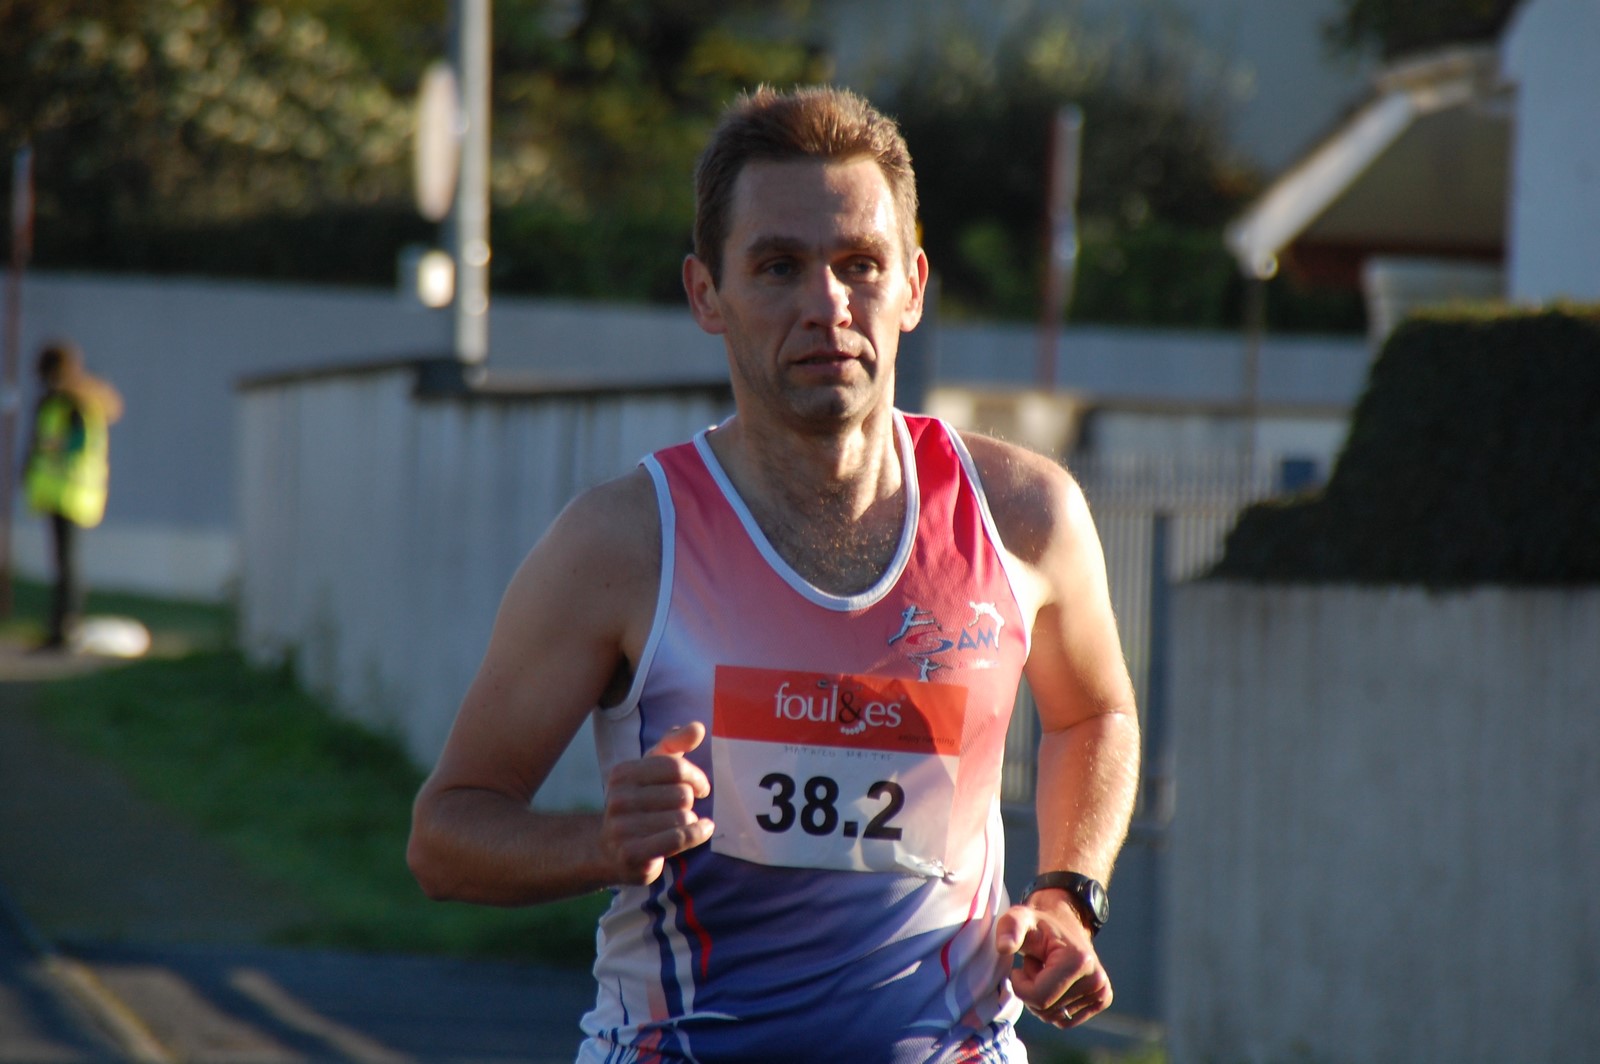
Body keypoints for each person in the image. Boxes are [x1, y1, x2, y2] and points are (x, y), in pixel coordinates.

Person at [408, 85, 1141, 1063]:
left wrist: (1067, 893)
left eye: (860, 264)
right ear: (705, 294)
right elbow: (445, 836)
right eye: (779, 266)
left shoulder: (1025, 517)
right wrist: (599, 845)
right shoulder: (622, 544)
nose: (826, 305)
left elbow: (1094, 715)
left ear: (913, 286)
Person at [22, 339, 123, 651]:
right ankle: (61, 625)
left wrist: (47, 448)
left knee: (67, 565)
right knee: (64, 563)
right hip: (64, 492)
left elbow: (73, 444)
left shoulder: (73, 404)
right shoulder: (72, 401)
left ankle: (65, 628)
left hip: (69, 491)